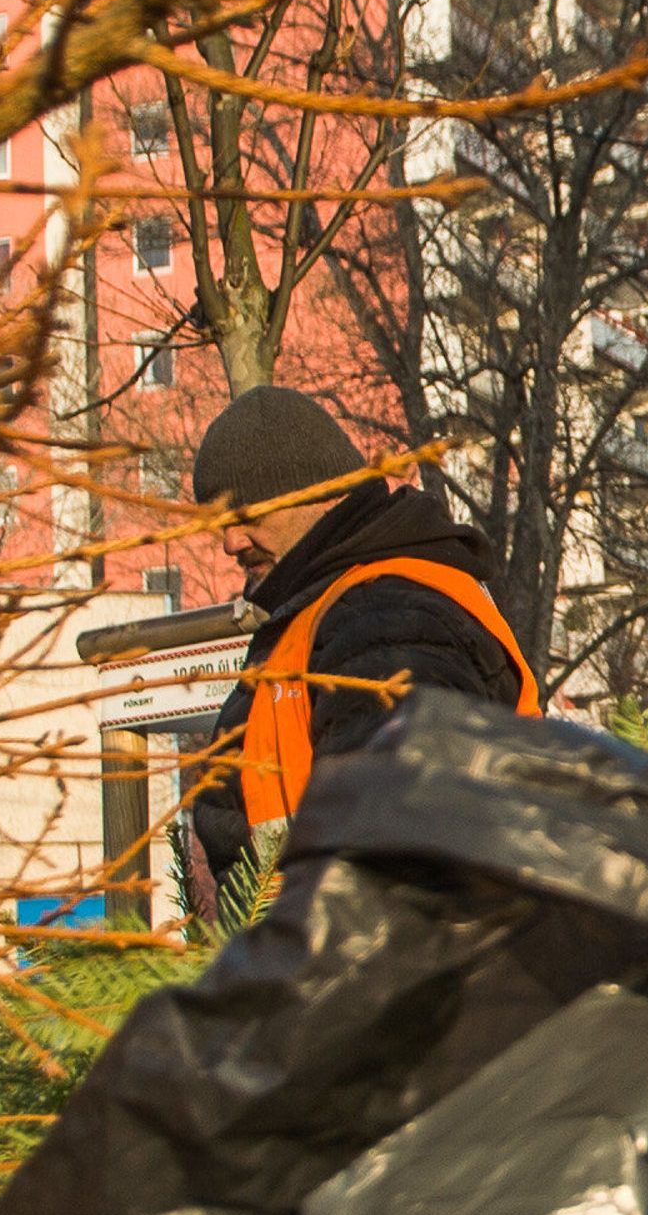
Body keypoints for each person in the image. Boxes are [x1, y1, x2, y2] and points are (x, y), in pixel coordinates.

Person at [177, 387, 536, 908]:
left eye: (246, 513)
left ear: (318, 492)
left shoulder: (383, 614)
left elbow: (407, 848)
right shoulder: (329, 612)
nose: (231, 542)